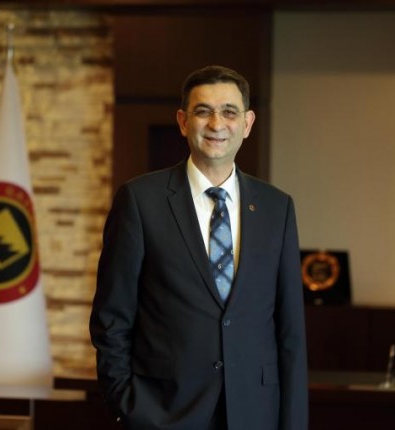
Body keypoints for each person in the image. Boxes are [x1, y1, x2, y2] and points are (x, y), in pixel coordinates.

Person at [89, 65, 308, 430]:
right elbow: (112, 317)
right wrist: (127, 404)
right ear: (183, 121)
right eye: (203, 111)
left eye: (229, 112)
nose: (216, 124)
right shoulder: (140, 201)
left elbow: (291, 332)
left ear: (247, 123)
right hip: (164, 413)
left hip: (256, 413)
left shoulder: (277, 208)